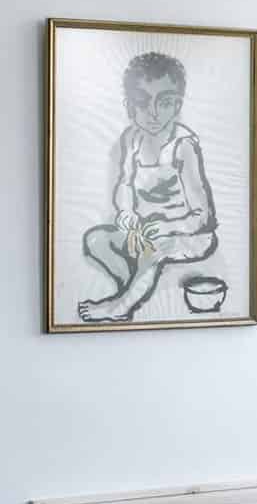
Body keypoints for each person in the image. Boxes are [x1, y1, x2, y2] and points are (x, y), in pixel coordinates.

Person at [78, 51, 218, 323]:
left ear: (177, 106)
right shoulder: (131, 140)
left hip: (187, 233)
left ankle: (119, 307)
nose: (153, 113)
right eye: (143, 102)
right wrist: (127, 213)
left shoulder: (183, 146)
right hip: (144, 231)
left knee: (155, 252)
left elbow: (203, 216)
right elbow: (124, 186)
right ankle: (128, 286)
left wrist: (166, 227)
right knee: (95, 239)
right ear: (129, 106)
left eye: (164, 102)